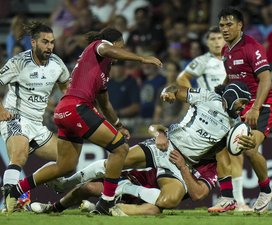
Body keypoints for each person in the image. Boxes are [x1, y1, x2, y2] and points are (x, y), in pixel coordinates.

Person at [3, 27, 163, 215]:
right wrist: (142, 59)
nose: (122, 50)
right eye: (122, 46)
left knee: (66, 165)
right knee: (120, 148)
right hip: (76, 108)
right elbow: (107, 48)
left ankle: (17, 189)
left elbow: (105, 102)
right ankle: (107, 202)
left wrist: (118, 124)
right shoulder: (98, 47)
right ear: (115, 43)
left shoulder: (103, 69)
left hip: (65, 110)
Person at [84, 81, 253, 214]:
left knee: (166, 202)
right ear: (232, 96)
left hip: (179, 166)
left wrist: (250, 144)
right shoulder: (207, 97)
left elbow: (199, 193)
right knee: (106, 171)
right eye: (242, 102)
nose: (244, 107)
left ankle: (228, 198)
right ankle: (68, 184)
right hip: (166, 147)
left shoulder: (235, 125)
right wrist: (168, 92)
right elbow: (174, 90)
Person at [209, 8, 272, 213]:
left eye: (229, 24)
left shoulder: (252, 48)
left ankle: (266, 190)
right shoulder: (226, 50)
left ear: (240, 25)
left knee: (248, 148)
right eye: (222, 25)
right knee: (218, 144)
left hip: (262, 106)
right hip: (239, 107)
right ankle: (228, 198)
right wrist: (222, 93)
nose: (225, 29)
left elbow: (266, 79)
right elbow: (231, 78)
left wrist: (256, 108)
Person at [176, 26, 249, 210]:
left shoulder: (232, 59)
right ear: (207, 42)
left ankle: (238, 200)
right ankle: (229, 198)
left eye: (219, 38)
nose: (216, 42)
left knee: (237, 155)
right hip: (212, 115)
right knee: (222, 154)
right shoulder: (202, 61)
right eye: (212, 39)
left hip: (232, 114)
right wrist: (198, 98)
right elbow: (182, 79)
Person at [0, 21, 70, 212]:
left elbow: (66, 86)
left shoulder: (57, 63)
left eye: (52, 42)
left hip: (38, 124)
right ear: (33, 42)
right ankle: (10, 204)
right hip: (15, 117)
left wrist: (68, 104)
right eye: (45, 42)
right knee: (19, 156)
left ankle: (41, 182)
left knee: (66, 160)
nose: (49, 47)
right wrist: (1, 110)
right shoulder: (18, 63)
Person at [30, 153, 218, 216]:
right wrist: (160, 133)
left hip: (156, 199)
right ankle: (54, 207)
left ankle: (107, 208)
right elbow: (156, 129)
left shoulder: (212, 166)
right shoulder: (186, 141)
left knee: (153, 210)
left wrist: (184, 169)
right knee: (88, 188)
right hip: (139, 179)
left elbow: (198, 194)